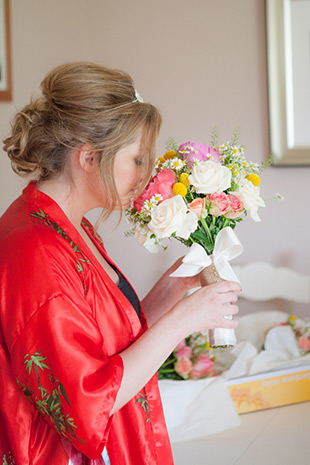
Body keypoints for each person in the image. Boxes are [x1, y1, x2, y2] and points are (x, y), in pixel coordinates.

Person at [0, 62, 241, 465]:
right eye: (137, 160)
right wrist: (185, 321)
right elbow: (86, 400)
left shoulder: (68, 226)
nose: (146, 177)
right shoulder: (35, 251)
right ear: (89, 157)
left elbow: (102, 348)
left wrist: (173, 289)